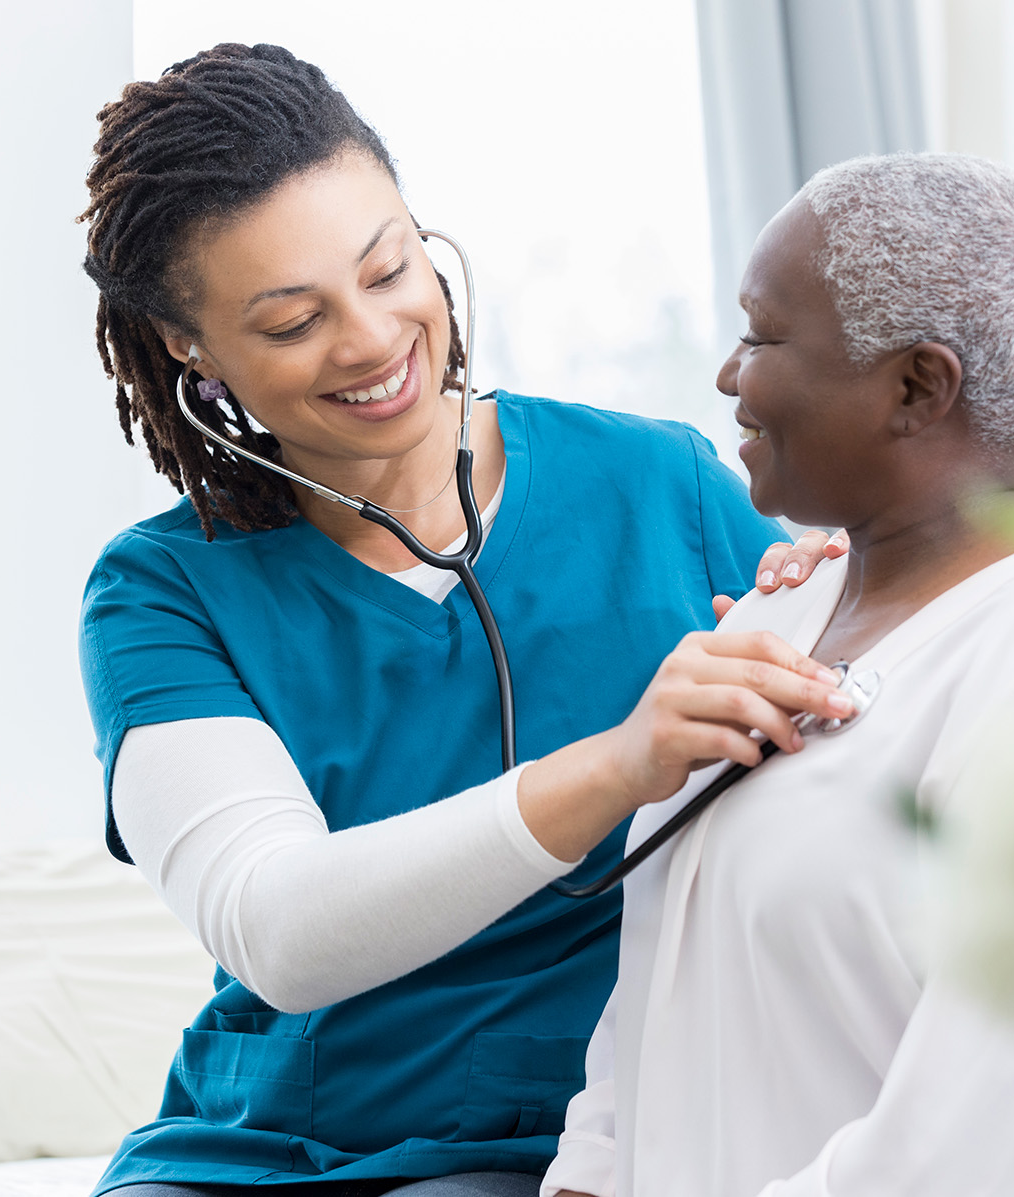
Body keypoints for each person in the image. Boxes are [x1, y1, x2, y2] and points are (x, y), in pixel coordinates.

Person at [76, 43, 851, 1197]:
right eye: (291, 323)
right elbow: (280, 934)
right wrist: (619, 763)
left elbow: (858, 765)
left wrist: (843, 612)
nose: (373, 340)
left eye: (389, 270)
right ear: (191, 350)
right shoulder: (160, 592)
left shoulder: (661, 488)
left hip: (560, 1136)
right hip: (259, 1150)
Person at [540, 154, 1014, 1197]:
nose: (726, 377)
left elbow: (972, 1147)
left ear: (914, 387)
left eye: (759, 336)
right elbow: (661, 987)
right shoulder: (779, 605)